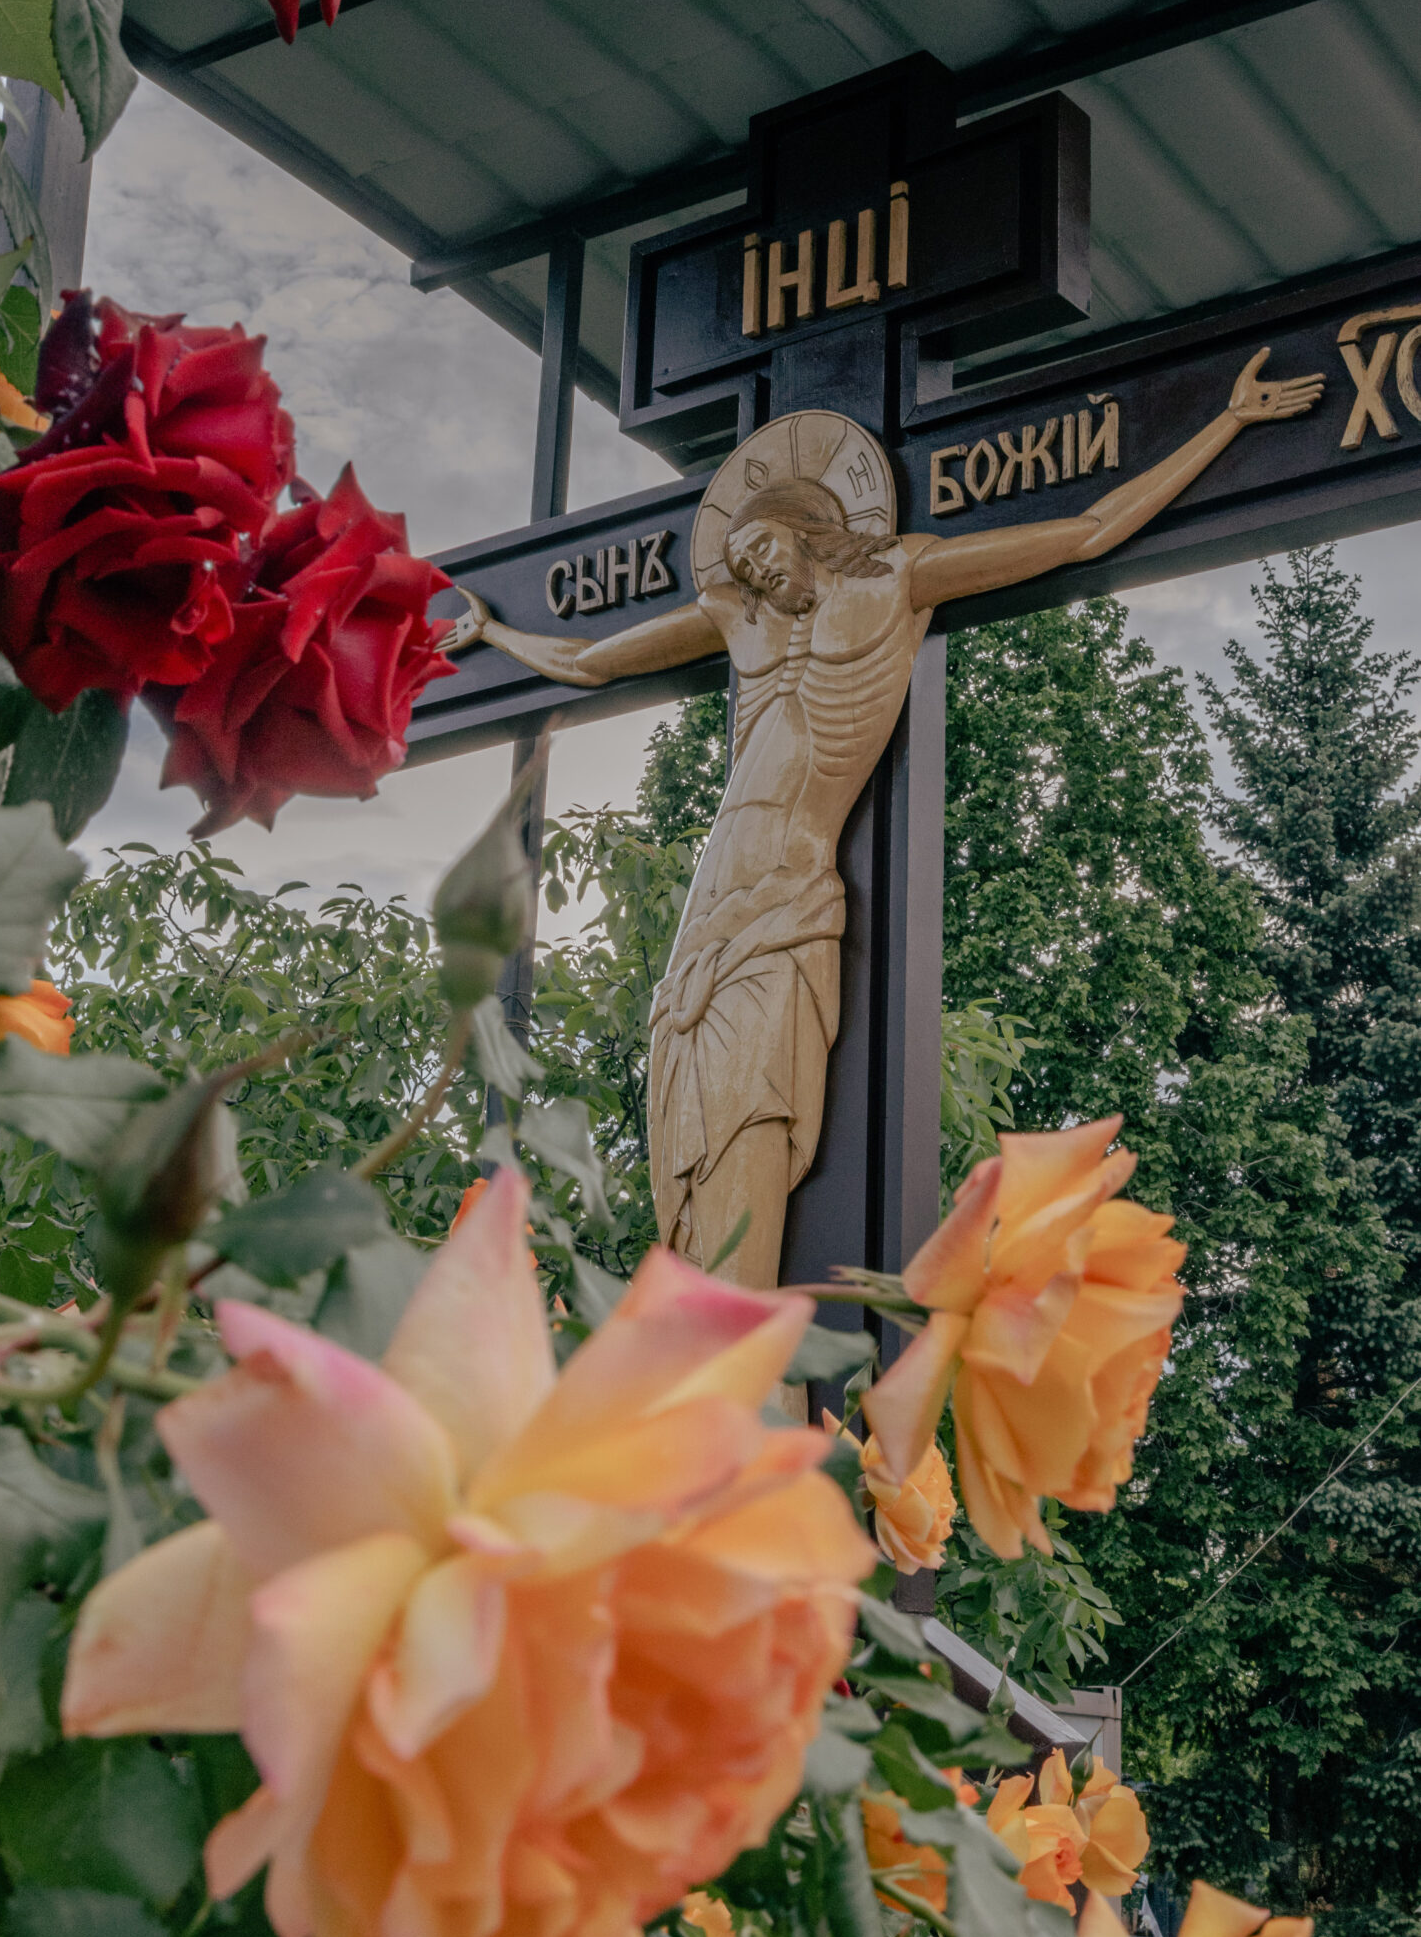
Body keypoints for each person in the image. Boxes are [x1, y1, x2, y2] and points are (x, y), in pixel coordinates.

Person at [446, 349, 1323, 1288]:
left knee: (748, 1111)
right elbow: (589, 661)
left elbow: (1085, 533)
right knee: (686, 1125)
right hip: (709, 906)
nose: (751, 570)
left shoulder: (897, 578)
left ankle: (736, 1336)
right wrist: (490, 631)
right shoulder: (740, 620)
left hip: (784, 894)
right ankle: (699, 1318)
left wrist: (1227, 419)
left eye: (761, 549)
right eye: (738, 562)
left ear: (807, 530)